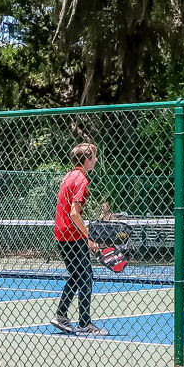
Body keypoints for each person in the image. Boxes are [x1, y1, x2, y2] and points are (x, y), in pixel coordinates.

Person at [51, 142, 107, 336]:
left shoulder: (69, 175)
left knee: (76, 275)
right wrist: (89, 238)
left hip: (61, 233)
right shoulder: (82, 179)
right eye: (93, 157)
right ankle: (85, 324)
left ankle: (61, 315)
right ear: (86, 160)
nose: (96, 160)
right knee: (86, 276)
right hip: (72, 235)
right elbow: (75, 213)